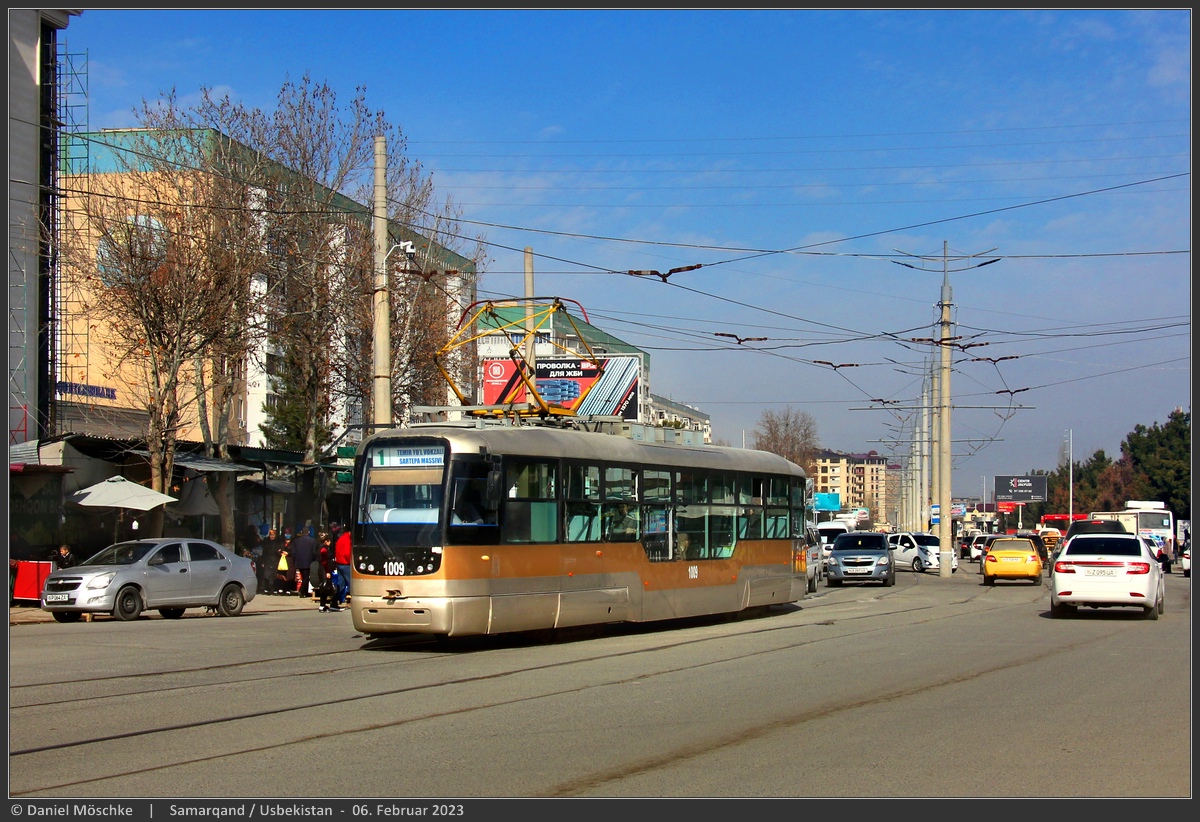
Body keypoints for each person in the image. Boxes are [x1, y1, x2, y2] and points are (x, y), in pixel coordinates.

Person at [288, 524, 318, 597]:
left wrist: (295, 560)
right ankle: (301, 591)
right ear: (308, 532)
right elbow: (314, 552)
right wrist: (314, 560)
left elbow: (293, 552)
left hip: (299, 562)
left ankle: (305, 592)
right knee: (306, 577)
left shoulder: (296, 541)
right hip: (308, 562)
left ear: (301, 532)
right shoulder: (312, 541)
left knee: (304, 577)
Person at [310, 547, 339, 612]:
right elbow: (324, 562)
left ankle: (322, 605)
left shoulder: (321, 548)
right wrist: (327, 571)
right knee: (325, 587)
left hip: (323, 571)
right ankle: (322, 605)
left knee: (324, 587)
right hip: (324, 571)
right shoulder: (324, 550)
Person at [332, 522, 353, 607]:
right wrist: (351, 562)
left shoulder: (341, 538)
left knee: (341, 583)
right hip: (346, 564)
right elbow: (347, 553)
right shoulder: (348, 539)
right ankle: (352, 600)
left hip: (340, 563)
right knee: (352, 583)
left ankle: (336, 600)